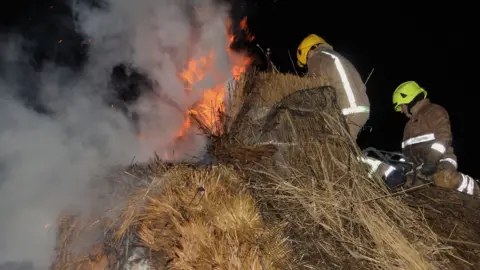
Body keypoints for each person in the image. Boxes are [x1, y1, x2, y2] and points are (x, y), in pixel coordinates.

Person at [392, 81, 479, 196]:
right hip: (420, 170)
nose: (402, 110)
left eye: (402, 106)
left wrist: (431, 161)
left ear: (410, 100)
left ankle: (475, 187)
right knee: (407, 192)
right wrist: (403, 168)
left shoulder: (434, 111)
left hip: (440, 161)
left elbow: (444, 138)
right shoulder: (408, 127)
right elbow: (407, 153)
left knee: (442, 178)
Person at [296, 34, 370, 141]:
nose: (308, 64)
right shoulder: (334, 57)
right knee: (345, 146)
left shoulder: (317, 58)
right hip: (360, 109)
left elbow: (312, 85)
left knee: (337, 146)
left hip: (348, 111)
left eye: (306, 60)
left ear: (309, 51)